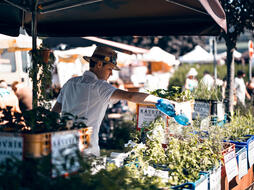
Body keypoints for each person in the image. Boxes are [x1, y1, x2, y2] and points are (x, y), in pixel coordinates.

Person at [52, 46, 179, 157]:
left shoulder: (70, 83)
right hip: (85, 149)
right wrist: (159, 100)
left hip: (62, 143)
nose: (111, 74)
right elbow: (130, 96)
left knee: (63, 183)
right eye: (110, 69)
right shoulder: (99, 86)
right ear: (99, 64)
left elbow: (54, 112)